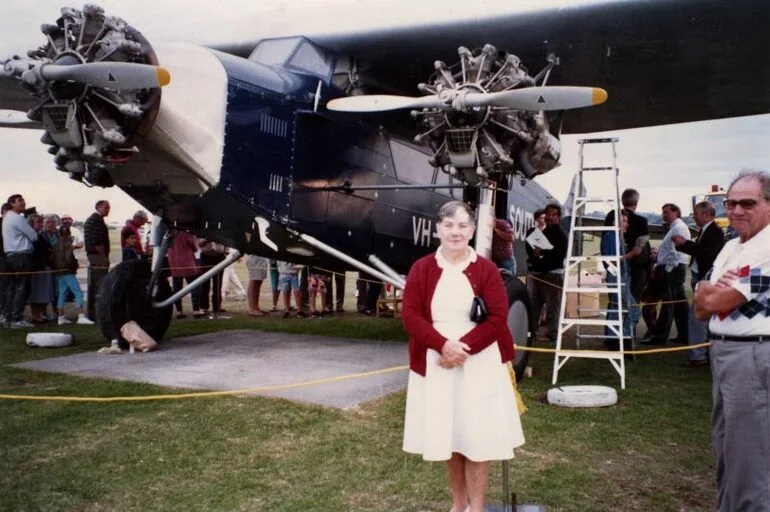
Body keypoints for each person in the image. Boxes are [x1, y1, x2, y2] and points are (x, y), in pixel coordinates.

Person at [401, 200, 524, 512]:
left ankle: (478, 507)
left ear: (472, 230)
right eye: (449, 225)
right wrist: (443, 346)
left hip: (479, 363)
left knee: (477, 439)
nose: (455, 232)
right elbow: (411, 316)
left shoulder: (485, 270)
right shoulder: (422, 268)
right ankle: (458, 505)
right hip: (437, 361)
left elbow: (497, 318)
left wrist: (461, 349)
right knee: (451, 437)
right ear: (438, 228)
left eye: (462, 226)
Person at [694, 170, 770, 511]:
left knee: (750, 455)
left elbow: (718, 302)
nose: (737, 210)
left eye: (748, 203)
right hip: (724, 352)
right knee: (726, 448)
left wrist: (713, 291)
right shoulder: (729, 246)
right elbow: (699, 306)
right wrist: (709, 289)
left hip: (752, 356)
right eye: (731, 203)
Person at [672, 201, 724, 366]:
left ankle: (698, 356)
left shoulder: (715, 232)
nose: (693, 216)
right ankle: (705, 353)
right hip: (702, 278)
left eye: (695, 213)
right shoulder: (706, 231)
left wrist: (684, 244)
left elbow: (706, 253)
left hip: (707, 279)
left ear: (705, 214)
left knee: (696, 317)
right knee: (703, 319)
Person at [644, 203, 690, 345]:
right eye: (663, 212)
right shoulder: (675, 228)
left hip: (673, 269)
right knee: (679, 304)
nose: (664, 215)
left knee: (668, 303)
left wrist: (666, 269)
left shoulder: (679, 228)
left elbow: (677, 253)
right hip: (673, 268)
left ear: (675, 212)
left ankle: (660, 336)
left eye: (666, 212)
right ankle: (685, 334)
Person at [525, 203, 568, 343]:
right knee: (534, 305)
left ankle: (553, 334)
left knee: (552, 307)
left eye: (554, 214)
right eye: (548, 214)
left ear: (558, 217)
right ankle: (531, 331)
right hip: (538, 273)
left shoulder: (561, 234)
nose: (550, 217)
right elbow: (531, 250)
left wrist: (542, 253)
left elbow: (559, 256)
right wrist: (536, 253)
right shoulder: (542, 232)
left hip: (553, 274)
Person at [599, 210, 639, 348]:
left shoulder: (619, 238)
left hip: (621, 275)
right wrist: (631, 254)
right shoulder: (610, 237)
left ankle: (612, 340)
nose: (626, 224)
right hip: (616, 276)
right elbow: (611, 261)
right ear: (614, 223)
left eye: (627, 221)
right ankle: (626, 338)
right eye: (624, 221)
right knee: (633, 309)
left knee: (616, 308)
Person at [2, 194, 37, 328]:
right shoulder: (18, 218)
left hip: (11, 256)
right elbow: (34, 236)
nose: (23, 203)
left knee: (12, 288)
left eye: (23, 200)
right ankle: (16, 319)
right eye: (20, 201)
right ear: (12, 204)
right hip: (21, 255)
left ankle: (8, 317)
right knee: (22, 288)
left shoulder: (7, 217)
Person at [52, 219, 93, 325]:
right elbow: (69, 259)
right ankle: (81, 316)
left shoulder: (56, 244)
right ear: (69, 233)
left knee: (62, 293)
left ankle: (60, 317)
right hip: (67, 271)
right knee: (78, 293)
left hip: (59, 272)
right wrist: (74, 265)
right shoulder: (67, 244)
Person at [621, 189, 652, 303]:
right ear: (636, 203)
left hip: (618, 265)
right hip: (637, 266)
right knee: (634, 299)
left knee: (618, 299)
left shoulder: (611, 216)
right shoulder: (641, 221)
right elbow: (639, 249)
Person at [84, 200, 110, 322]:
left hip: (93, 255)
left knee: (95, 285)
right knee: (99, 286)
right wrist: (105, 258)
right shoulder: (96, 221)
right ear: (98, 207)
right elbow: (98, 242)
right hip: (97, 256)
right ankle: (95, 314)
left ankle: (93, 314)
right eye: (106, 207)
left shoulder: (93, 220)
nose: (108, 210)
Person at [167, 231, 201, 319]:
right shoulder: (187, 232)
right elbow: (195, 247)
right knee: (194, 286)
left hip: (173, 262)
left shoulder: (169, 233)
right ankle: (196, 309)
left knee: (177, 288)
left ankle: (179, 310)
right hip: (187, 262)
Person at [0, 202, 11, 325]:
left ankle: (6, 313)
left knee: (8, 288)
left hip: (9, 258)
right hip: (2, 258)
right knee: (2, 289)